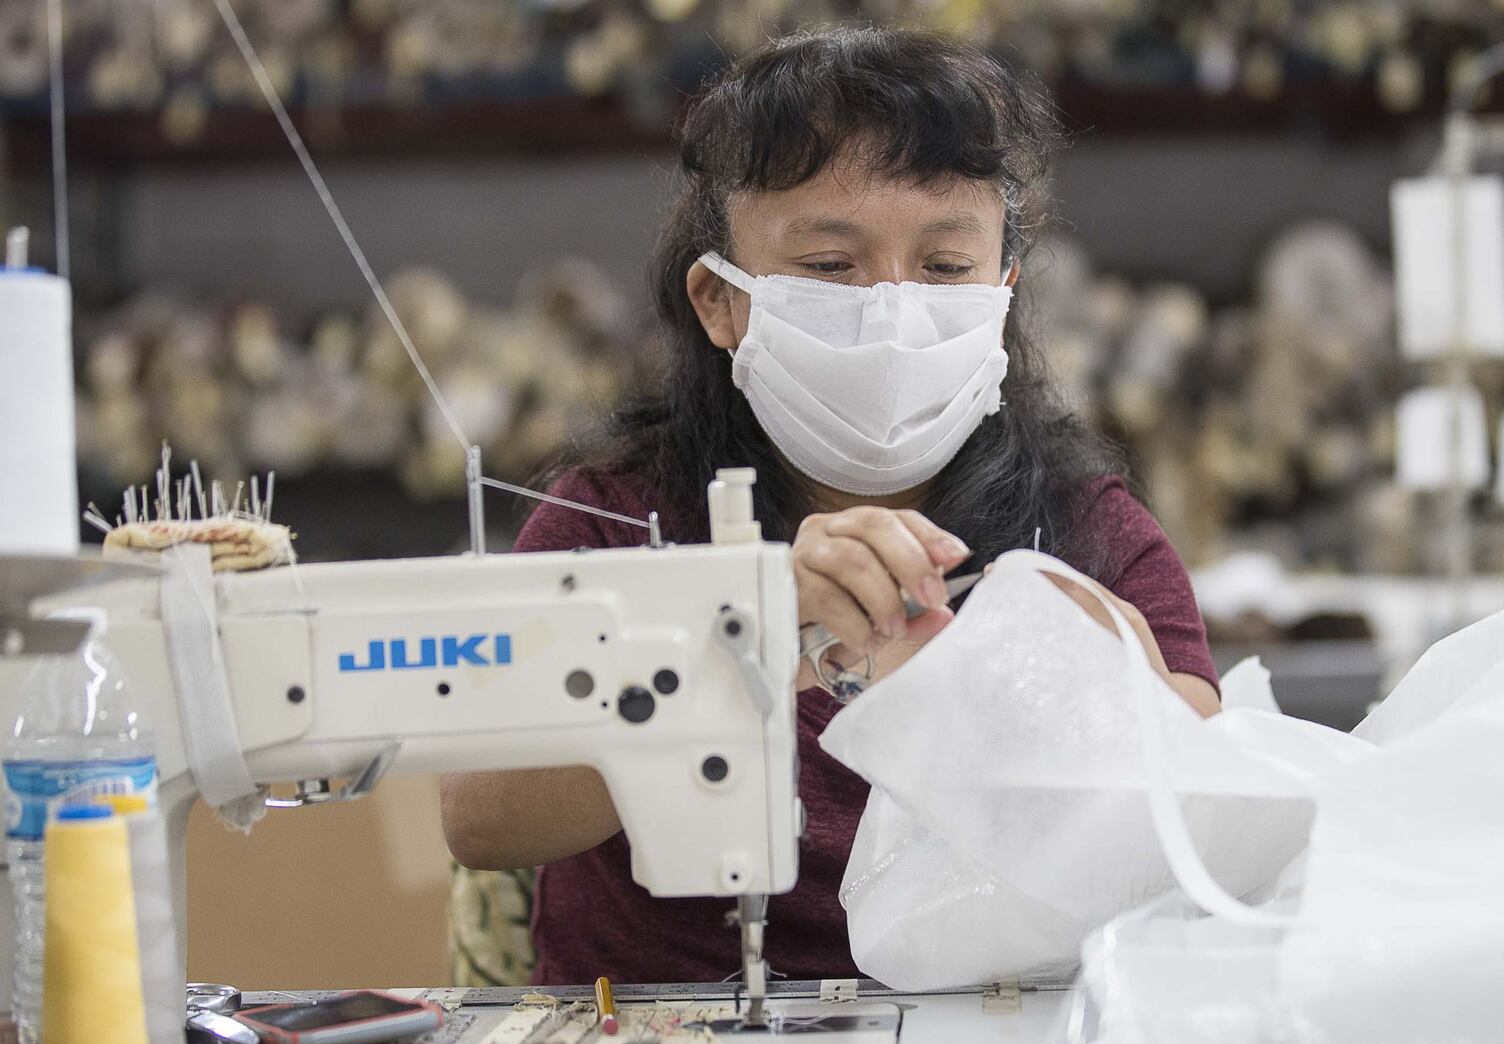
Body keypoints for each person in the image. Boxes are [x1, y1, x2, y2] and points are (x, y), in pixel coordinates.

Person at [441, 26, 1220, 986]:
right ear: (719, 302)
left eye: (943, 269)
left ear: (1003, 292)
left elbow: (1195, 821)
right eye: (830, 267)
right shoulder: (615, 521)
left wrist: (1092, 691)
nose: (892, 308)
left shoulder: (1086, 531)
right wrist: (752, 636)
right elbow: (481, 814)